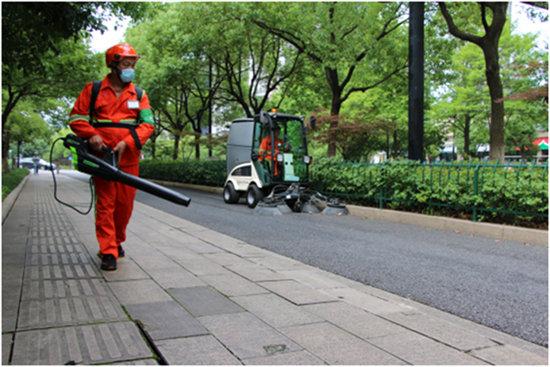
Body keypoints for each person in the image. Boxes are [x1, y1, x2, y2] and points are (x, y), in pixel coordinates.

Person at [68, 44, 154, 271]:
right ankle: (108, 251)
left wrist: (127, 142)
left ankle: (117, 241)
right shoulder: (93, 90)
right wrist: (92, 134)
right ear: (113, 65)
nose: (131, 69)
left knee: (124, 205)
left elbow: (148, 124)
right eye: (127, 64)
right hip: (102, 158)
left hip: (128, 158)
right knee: (106, 204)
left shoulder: (139, 94)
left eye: (133, 65)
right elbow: (77, 117)